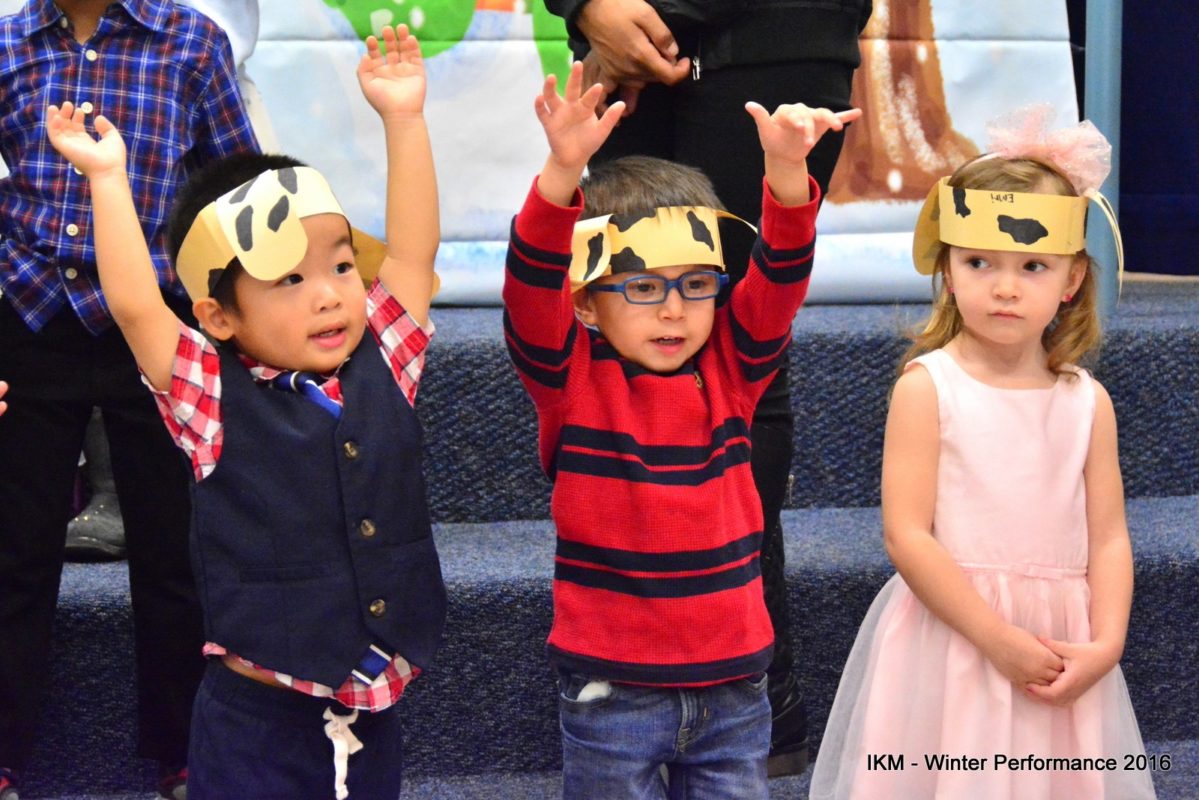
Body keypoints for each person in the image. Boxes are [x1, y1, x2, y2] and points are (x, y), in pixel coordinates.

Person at [45, 23, 445, 800]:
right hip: (256, 718)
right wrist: (106, 180)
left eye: (337, 265)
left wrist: (403, 118)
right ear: (219, 317)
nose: (329, 291)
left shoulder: (387, 360)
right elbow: (134, 307)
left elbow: (413, 257)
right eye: (287, 281)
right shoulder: (208, 392)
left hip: (374, 706)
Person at [505, 61, 858, 797]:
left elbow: (781, 273)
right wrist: (562, 174)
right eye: (642, 287)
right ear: (589, 304)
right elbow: (532, 285)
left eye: (697, 285)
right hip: (613, 691)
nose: (674, 310)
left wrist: (786, 172)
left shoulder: (731, 369)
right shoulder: (571, 384)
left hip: (734, 686)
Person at [809, 110, 1156, 799]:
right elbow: (906, 535)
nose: (1004, 286)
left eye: (1032, 265)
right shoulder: (927, 388)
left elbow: (1109, 536)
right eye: (979, 263)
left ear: (1070, 281)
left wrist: (1107, 642)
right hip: (957, 640)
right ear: (947, 270)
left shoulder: (1086, 402)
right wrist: (994, 637)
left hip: (1063, 643)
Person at [0, 0, 258, 796]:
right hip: (28, 310)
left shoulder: (192, 41)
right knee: (13, 548)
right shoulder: (8, 43)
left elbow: (233, 188)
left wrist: (242, 328)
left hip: (156, 323)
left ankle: (185, 749)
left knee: (175, 548)